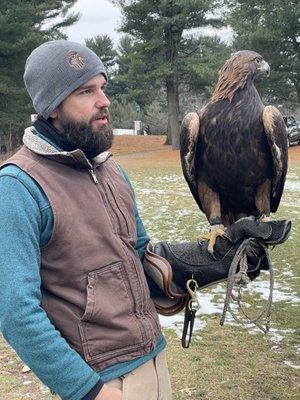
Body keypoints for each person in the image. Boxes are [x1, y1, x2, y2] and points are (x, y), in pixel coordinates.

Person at [0, 40, 290, 400]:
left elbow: (141, 261)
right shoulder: (17, 187)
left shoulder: (110, 170)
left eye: (102, 87)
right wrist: (89, 391)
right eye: (86, 91)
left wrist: (216, 260)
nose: (104, 101)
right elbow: (16, 312)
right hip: (101, 381)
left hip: (153, 361)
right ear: (52, 106)